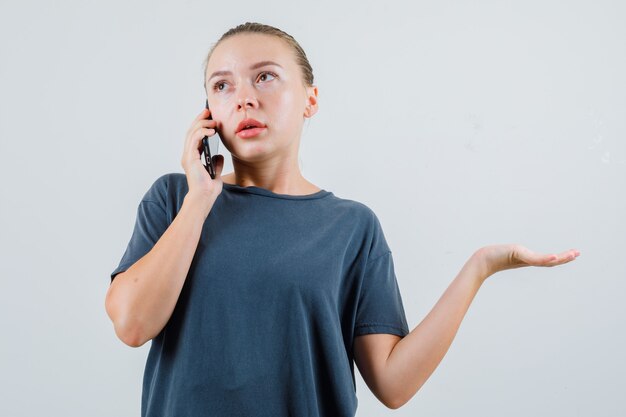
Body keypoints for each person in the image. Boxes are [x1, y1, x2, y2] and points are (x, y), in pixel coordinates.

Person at [105, 22, 581, 416]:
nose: (244, 98)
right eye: (222, 85)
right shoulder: (174, 198)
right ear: (209, 112)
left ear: (310, 99)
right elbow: (131, 324)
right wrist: (200, 199)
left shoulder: (352, 228)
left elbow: (393, 384)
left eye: (265, 77)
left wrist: (481, 265)